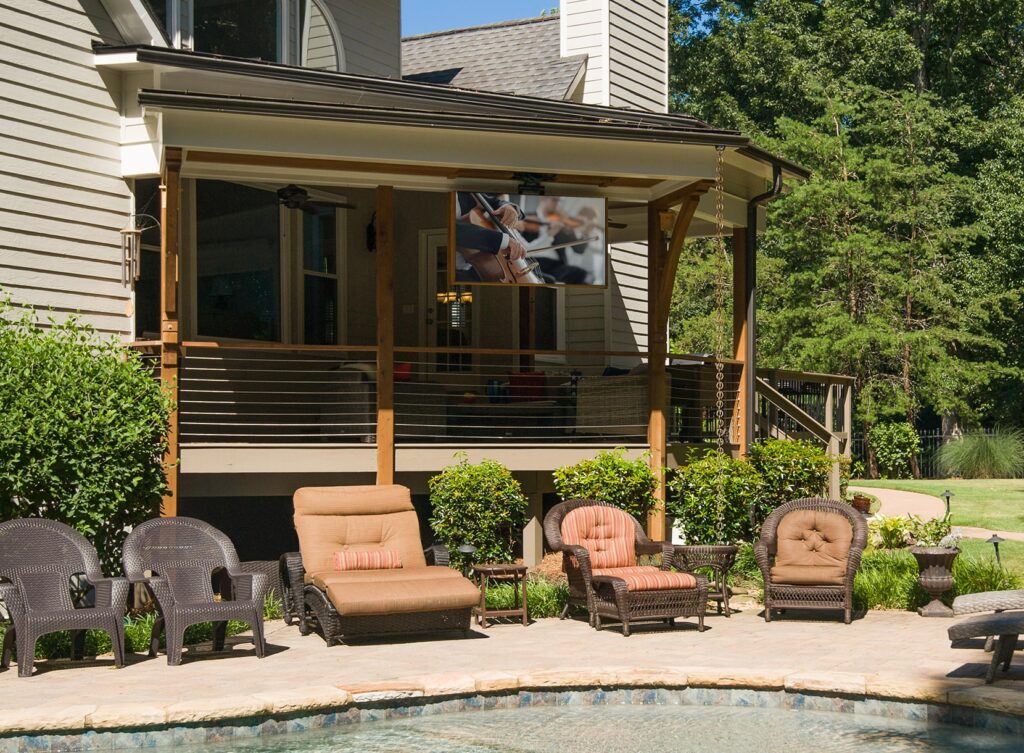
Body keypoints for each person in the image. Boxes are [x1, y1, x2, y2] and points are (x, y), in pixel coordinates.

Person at [454, 192, 528, 282]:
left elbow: (493, 202)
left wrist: (509, 207)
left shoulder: (463, 192)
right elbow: (454, 230)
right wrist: (501, 240)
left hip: (476, 269)